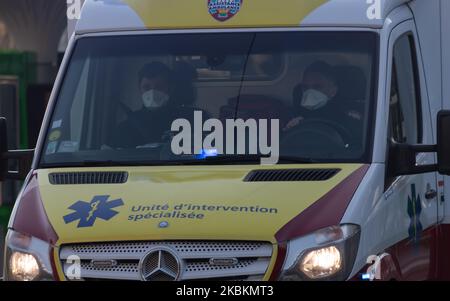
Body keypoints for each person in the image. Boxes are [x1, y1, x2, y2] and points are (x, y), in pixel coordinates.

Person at [110, 62, 183, 148]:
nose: (152, 92)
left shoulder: (186, 121)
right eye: (146, 87)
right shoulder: (125, 128)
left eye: (159, 87)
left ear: (170, 89)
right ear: (140, 90)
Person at [284, 61, 363, 134]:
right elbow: (274, 147)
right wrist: (287, 130)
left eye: (317, 87)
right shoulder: (288, 115)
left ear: (333, 91)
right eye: (305, 87)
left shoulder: (347, 119)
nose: (310, 92)